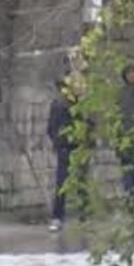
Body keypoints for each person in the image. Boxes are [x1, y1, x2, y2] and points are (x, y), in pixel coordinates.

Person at [47, 78, 77, 232]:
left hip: (79, 147)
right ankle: (57, 217)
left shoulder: (79, 103)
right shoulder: (57, 104)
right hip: (63, 148)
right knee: (62, 183)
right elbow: (51, 127)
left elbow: (89, 123)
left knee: (82, 182)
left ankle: (85, 217)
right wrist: (57, 141)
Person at [120, 64, 134, 197]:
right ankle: (130, 200)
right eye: (128, 73)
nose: (132, 75)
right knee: (128, 171)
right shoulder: (121, 93)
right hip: (125, 138)